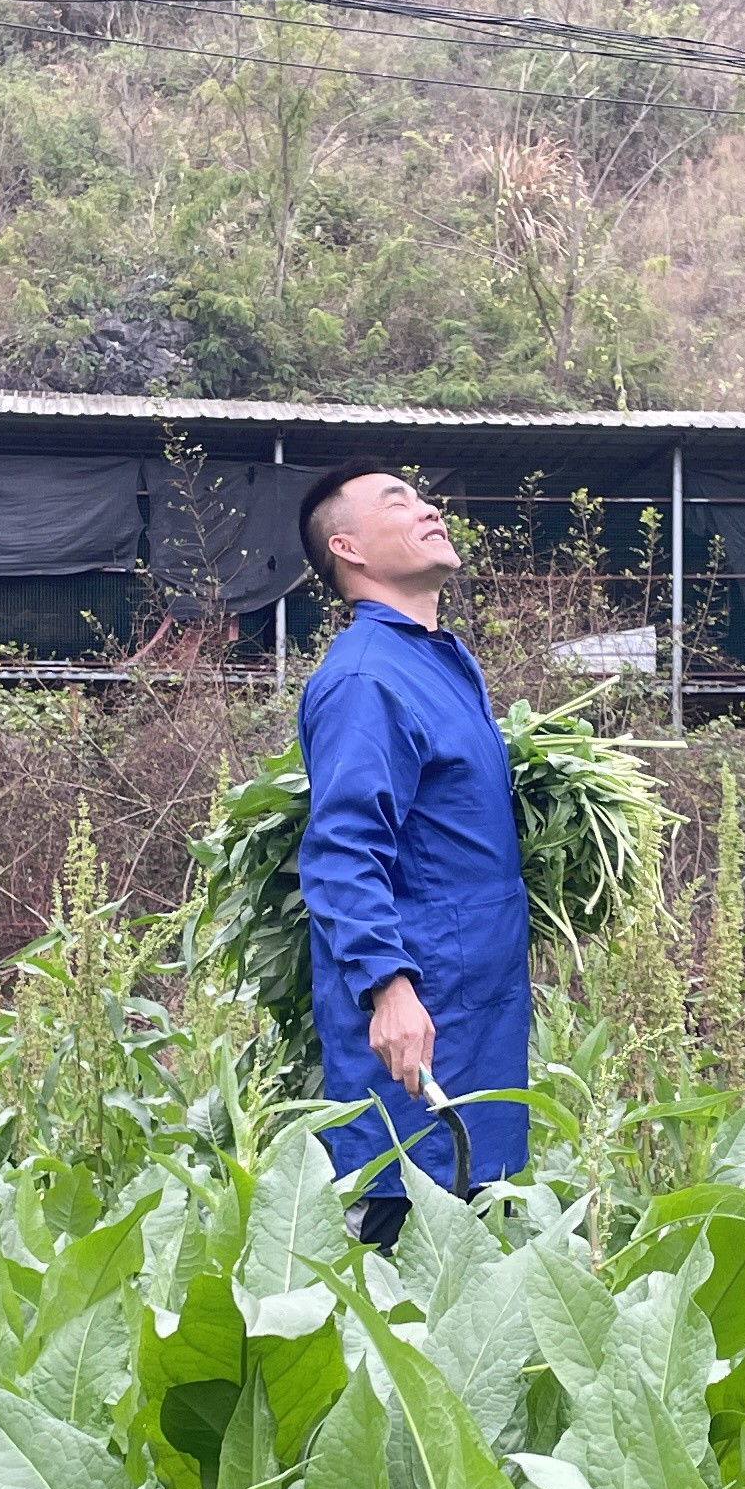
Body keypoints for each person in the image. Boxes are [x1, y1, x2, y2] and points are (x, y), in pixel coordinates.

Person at [291, 463, 531, 1247]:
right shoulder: (367, 678)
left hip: (480, 1013)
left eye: (424, 498)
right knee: (401, 1282)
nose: (428, 508)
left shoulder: (440, 661)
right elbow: (341, 851)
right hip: (419, 1023)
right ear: (348, 547)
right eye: (399, 500)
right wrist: (387, 990)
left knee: (475, 1279)